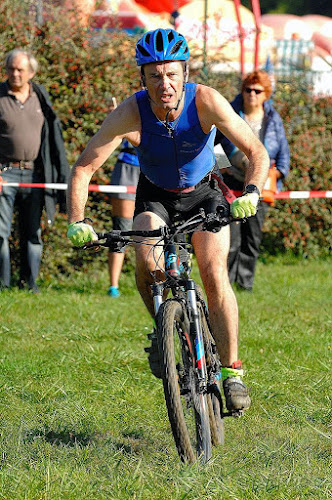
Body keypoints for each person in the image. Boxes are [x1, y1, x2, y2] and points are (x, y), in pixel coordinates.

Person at [67, 29, 270, 412]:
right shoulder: (132, 110)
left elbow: (256, 152)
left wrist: (252, 192)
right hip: (156, 196)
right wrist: (77, 220)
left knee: (213, 275)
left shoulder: (206, 100)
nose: (165, 84)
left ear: (185, 73)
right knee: (145, 260)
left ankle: (232, 371)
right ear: (142, 78)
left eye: (172, 74)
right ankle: (163, 330)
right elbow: (83, 169)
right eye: (155, 75)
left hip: (204, 193)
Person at [0, 48, 69, 292]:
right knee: (1, 233)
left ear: (31, 72)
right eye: (11, 68)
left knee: (33, 232)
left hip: (35, 175)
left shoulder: (41, 96)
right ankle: (3, 285)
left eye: (20, 69)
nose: (14, 74)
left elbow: (54, 139)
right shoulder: (0, 95)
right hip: (4, 174)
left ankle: (30, 284)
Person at [215, 70, 290, 291]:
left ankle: (245, 284)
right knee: (231, 237)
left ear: (266, 94)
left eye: (257, 91)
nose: (252, 94)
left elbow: (284, 152)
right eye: (248, 89)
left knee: (252, 237)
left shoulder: (273, 120)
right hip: (232, 183)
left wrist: (279, 175)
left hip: (260, 182)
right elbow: (215, 143)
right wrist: (223, 169)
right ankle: (226, 283)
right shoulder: (229, 112)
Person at [108, 138, 140, 297]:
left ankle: (156, 280)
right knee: (122, 229)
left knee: (156, 229)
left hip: (157, 167)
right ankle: (114, 286)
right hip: (128, 166)